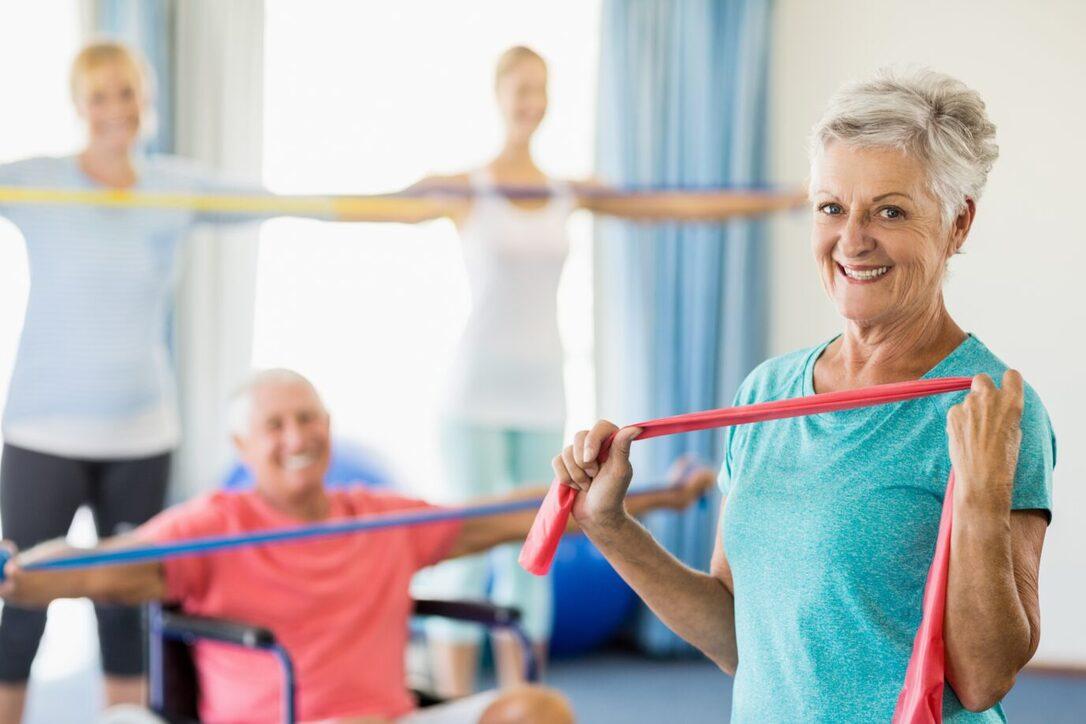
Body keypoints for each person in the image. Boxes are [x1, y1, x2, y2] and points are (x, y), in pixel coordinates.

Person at [551, 68, 1055, 722]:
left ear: (958, 224)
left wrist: (983, 499)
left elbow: (985, 679)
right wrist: (610, 527)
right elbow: (740, 638)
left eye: (891, 210)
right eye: (831, 207)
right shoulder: (766, 393)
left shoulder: (993, 408)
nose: (852, 239)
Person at [367, 44, 804, 698]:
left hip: (541, 391)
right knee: (464, 555)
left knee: (533, 555)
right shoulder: (470, 188)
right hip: (474, 396)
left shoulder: (565, 190)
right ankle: (454, 707)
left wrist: (779, 202)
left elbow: (669, 207)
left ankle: (524, 704)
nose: (530, 103)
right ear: (498, 96)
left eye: (540, 90)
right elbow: (378, 208)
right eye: (519, 90)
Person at [0, 41, 397, 722]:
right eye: (99, 96)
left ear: (145, 100)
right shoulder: (39, 181)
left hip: (142, 431)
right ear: (78, 105)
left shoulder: (174, 187)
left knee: (126, 605)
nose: (115, 110)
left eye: (127, 93)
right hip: (43, 432)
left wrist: (402, 203)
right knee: (20, 600)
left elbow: (284, 202)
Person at [0, 368, 713, 723]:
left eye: (307, 418)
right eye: (274, 425)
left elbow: (509, 512)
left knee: (536, 709)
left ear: (329, 425)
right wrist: (23, 577)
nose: (295, 437)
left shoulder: (374, 517)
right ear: (243, 445)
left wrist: (656, 495)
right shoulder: (212, 524)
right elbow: (106, 570)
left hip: (390, 721)